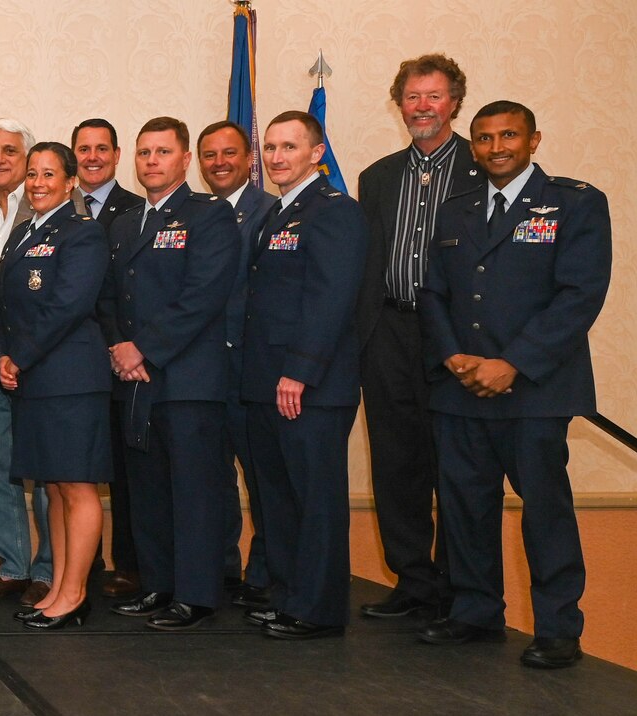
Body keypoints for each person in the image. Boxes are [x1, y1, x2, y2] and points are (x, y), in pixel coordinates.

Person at [418, 101, 608, 670]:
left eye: (508, 136)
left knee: (545, 509)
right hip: (460, 388)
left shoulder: (575, 202)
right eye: (484, 138)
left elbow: (579, 295)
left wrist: (514, 364)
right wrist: (452, 354)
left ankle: (558, 627)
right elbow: (432, 292)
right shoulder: (455, 210)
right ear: (471, 145)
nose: (496, 146)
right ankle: (476, 611)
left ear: (534, 139)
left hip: (535, 389)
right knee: (465, 507)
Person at [97, 117, 240, 631]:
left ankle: (196, 595)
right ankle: (157, 584)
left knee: (195, 493)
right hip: (134, 378)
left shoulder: (209, 216)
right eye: (143, 153)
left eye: (162, 152)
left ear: (184, 161)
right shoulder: (123, 223)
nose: (151, 161)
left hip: (188, 378)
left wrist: (145, 349)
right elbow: (109, 295)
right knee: (148, 490)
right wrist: (119, 345)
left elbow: (202, 295)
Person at [354, 54, 480, 621]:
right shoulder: (377, 177)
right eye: (412, 97)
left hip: (455, 335)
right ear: (398, 104)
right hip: (388, 330)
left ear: (454, 101)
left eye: (434, 96)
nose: (422, 107)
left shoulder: (481, 170)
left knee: (455, 459)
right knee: (396, 460)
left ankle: (458, 585)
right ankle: (413, 580)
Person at [238, 112, 366, 640]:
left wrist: (300, 372)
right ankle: (289, 597)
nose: (276, 157)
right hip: (269, 382)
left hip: (309, 387)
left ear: (317, 153)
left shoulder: (335, 212)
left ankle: (317, 609)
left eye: (289, 147)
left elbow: (330, 299)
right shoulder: (277, 213)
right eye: (269, 147)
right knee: (280, 499)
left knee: (315, 502)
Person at [0, 142, 112, 630]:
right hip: (33, 379)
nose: (38, 183)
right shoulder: (24, 233)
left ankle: (76, 593)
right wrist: (4, 354)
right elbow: (4, 304)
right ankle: (60, 586)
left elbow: (67, 305)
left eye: (49, 175)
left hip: (71, 379)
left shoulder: (83, 234)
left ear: (70, 182)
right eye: (32, 174)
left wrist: (17, 355)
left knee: (78, 485)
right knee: (57, 489)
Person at [196, 120, 278, 608]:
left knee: (263, 479)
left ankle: (265, 574)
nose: (219, 163)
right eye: (210, 155)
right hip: (205, 372)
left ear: (250, 159)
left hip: (252, 370)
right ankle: (220, 568)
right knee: (212, 479)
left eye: (229, 153)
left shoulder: (270, 212)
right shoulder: (198, 214)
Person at [0, 118, 52, 606]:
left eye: (9, 151)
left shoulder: (53, 205)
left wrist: (17, 348)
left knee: (43, 471)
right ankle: (12, 566)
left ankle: (48, 570)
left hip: (35, 361)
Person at [70, 117, 146, 598]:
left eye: (102, 148)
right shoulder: (56, 205)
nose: (92, 157)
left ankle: (130, 565)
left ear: (117, 155)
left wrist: (121, 345)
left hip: (122, 360)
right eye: (83, 149)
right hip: (71, 364)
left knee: (124, 470)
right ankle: (82, 565)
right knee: (74, 470)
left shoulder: (139, 209)